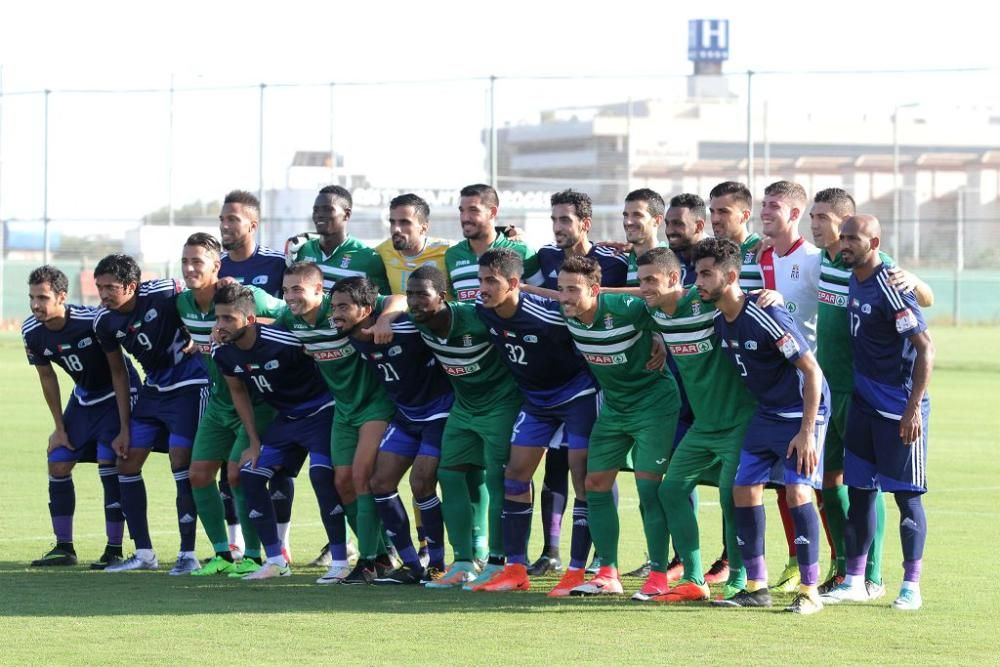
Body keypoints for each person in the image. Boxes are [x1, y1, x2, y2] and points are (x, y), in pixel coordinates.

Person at [695, 238, 828, 614]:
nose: (698, 281)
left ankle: (809, 591)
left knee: (797, 493)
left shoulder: (765, 314)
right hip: (768, 413)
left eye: (707, 274)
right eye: (698, 273)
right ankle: (756, 586)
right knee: (743, 489)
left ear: (732, 276)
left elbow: (812, 371)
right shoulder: (722, 321)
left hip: (803, 411)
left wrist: (806, 432)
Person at [822, 215, 934, 611]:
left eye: (854, 238)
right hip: (863, 406)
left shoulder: (890, 284)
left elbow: (925, 348)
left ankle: (911, 587)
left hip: (898, 410)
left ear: (875, 241)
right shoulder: (852, 274)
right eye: (845, 237)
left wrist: (913, 410)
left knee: (906, 499)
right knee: (861, 492)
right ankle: (854, 579)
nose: (846, 243)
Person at [472, 248, 599, 595]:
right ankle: (515, 569)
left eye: (490, 281)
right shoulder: (482, 312)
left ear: (514, 284)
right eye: (480, 280)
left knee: (582, 476)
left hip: (578, 396)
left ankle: (576, 571)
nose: (481, 288)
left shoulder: (550, 315)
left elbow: (592, 322)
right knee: (515, 475)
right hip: (536, 401)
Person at [636, 246, 756, 602]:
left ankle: (739, 576)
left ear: (675, 279)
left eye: (651, 281)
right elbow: (610, 299)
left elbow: (736, 296)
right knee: (671, 490)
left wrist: (769, 295)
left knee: (730, 497)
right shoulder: (655, 313)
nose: (644, 288)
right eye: (640, 281)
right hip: (703, 426)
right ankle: (693, 578)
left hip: (740, 421)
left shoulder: (703, 303)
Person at [558, 256, 679, 598]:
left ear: (594, 291)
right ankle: (607, 572)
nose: (564, 297)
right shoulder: (566, 312)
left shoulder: (624, 308)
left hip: (654, 403)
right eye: (561, 289)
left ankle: (658, 574)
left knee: (648, 489)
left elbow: (663, 305)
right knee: (594, 483)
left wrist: (660, 338)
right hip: (614, 407)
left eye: (573, 290)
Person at [278, 262, 404, 584]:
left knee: (362, 476)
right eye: (286, 289)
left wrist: (386, 319)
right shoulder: (292, 320)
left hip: (375, 405)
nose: (290, 296)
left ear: (319, 291)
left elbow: (399, 298)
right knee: (343, 482)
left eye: (297, 289)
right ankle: (381, 555)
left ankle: (369, 560)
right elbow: (261, 323)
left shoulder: (343, 313)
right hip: (343, 410)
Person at [527, 189, 626, 577]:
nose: (557, 228)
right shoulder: (546, 258)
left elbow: (638, 296)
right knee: (553, 466)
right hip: (555, 380)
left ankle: (603, 554)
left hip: (596, 378)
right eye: (554, 220)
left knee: (593, 470)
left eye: (565, 220)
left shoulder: (614, 261)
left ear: (585, 223)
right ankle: (551, 551)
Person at [211, 283, 340, 580]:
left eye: (229, 319)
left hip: (322, 412)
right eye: (218, 318)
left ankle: (341, 560)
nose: (221, 326)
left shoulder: (285, 340)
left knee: (323, 476)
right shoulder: (224, 353)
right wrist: (254, 441)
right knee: (250, 475)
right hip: (287, 419)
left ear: (250, 320)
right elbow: (239, 394)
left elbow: (326, 362)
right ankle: (275, 561)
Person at [176, 233, 286, 578]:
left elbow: (291, 317)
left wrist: (247, 328)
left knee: (238, 474)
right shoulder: (181, 303)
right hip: (219, 402)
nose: (190, 268)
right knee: (199, 475)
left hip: (256, 402)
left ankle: (255, 556)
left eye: (198, 262)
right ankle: (223, 553)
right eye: (185, 261)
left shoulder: (245, 297)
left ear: (216, 267)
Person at [92, 254, 210, 574]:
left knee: (180, 459)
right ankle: (144, 554)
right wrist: (124, 426)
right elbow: (119, 373)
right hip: (154, 391)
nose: (102, 294)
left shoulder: (164, 290)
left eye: (110, 287)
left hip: (191, 384)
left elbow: (205, 294)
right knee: (126, 461)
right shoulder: (104, 322)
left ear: (132, 286)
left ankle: (188, 554)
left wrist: (200, 335)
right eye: (99, 287)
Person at [406, 265, 522, 590]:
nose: (414, 302)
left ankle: (498, 561)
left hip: (501, 404)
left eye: (422, 295)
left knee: (498, 479)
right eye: (410, 294)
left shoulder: (478, 317)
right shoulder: (417, 321)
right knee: (449, 473)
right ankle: (462, 563)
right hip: (464, 407)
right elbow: (384, 305)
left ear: (442, 297)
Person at [332, 276, 452, 585]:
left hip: (438, 411)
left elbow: (399, 299)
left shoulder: (405, 327)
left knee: (421, 482)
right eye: (334, 308)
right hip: (406, 416)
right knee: (379, 482)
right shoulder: (351, 333)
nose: (336, 314)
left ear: (367, 309)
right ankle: (411, 564)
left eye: (344, 307)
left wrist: (387, 318)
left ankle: (438, 563)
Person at [23, 266, 140, 569]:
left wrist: (125, 427)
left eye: (43, 297)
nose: (36, 304)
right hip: (84, 399)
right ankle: (64, 548)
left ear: (62, 296)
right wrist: (59, 428)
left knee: (108, 458)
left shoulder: (93, 322)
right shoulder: (32, 332)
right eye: (32, 297)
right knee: (58, 459)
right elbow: (47, 379)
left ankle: (114, 549)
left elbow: (120, 370)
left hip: (117, 394)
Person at [216, 190, 297, 563]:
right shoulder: (215, 266)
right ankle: (235, 544)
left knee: (276, 464)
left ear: (252, 223)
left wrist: (253, 327)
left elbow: (290, 314)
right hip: (231, 377)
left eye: (233, 219)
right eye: (222, 219)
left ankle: (281, 542)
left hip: (275, 380)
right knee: (229, 466)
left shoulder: (277, 263)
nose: (225, 226)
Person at [445, 183, 543, 303]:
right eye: (462, 211)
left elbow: (543, 300)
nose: (465, 218)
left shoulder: (522, 251)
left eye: (473, 210)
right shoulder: (452, 255)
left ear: (492, 212)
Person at [285, 184, 390, 294]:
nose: (319, 215)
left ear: (347, 214)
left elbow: (380, 304)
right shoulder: (302, 250)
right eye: (316, 210)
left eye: (327, 209)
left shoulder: (368, 258)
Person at [376, 193, 451, 296]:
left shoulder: (448, 252)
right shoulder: (381, 252)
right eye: (392, 222)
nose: (396, 229)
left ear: (424, 228)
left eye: (404, 222)